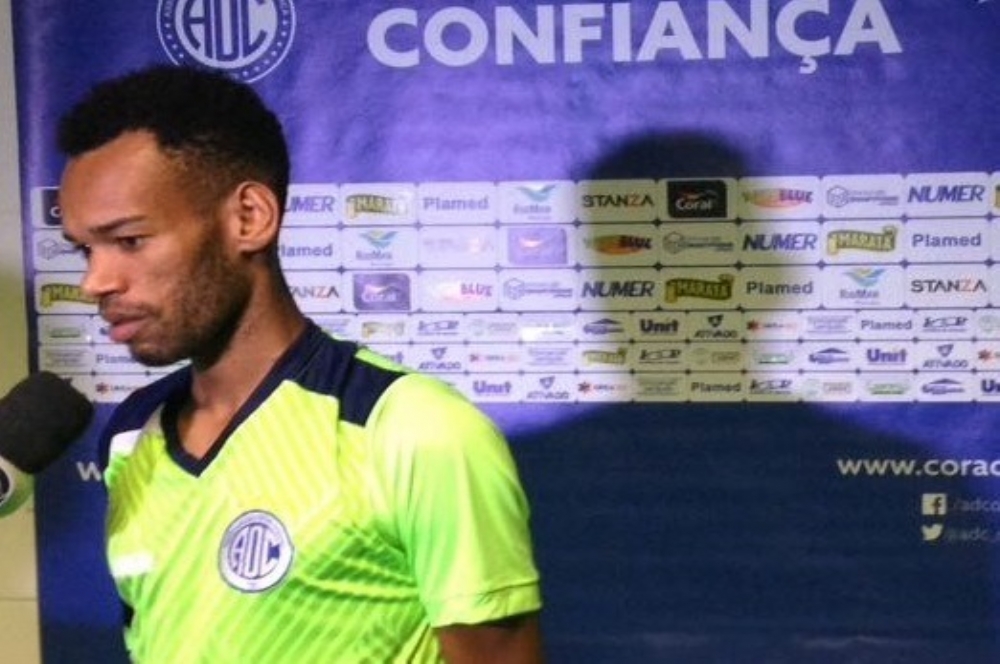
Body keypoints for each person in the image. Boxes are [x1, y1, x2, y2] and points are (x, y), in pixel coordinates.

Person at [57, 64, 543, 663]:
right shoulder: (133, 434)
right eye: (85, 250)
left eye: (129, 241)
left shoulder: (414, 431)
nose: (95, 281)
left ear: (249, 218)